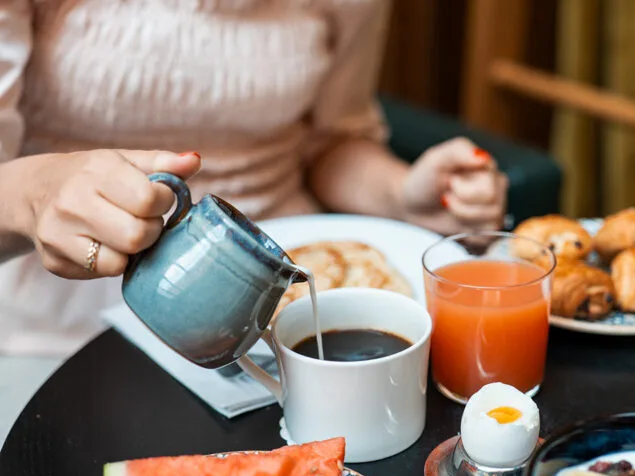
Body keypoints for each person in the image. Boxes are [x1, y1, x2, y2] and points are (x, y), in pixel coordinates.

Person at [0, 0, 507, 358]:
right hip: (63, 323)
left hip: (291, 306)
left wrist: (402, 195)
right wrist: (35, 194)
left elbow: (330, 141)